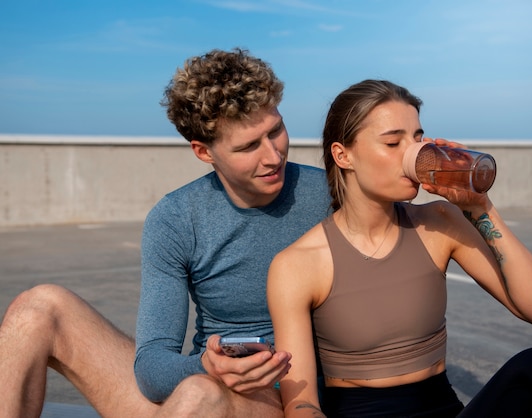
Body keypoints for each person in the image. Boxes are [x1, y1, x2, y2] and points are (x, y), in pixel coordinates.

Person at [0, 48, 330, 418]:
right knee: (38, 307)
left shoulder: (331, 194)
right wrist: (207, 366)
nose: (273, 156)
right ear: (204, 152)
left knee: (198, 397)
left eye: (276, 131)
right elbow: (153, 368)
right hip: (198, 388)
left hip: (287, 396)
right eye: (249, 146)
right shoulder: (176, 219)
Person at [267, 79, 532, 418]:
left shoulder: (439, 223)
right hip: (363, 412)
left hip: (443, 409)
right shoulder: (297, 265)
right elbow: (301, 402)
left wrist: (480, 207)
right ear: (344, 155)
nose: (415, 153)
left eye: (417, 138)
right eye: (393, 141)